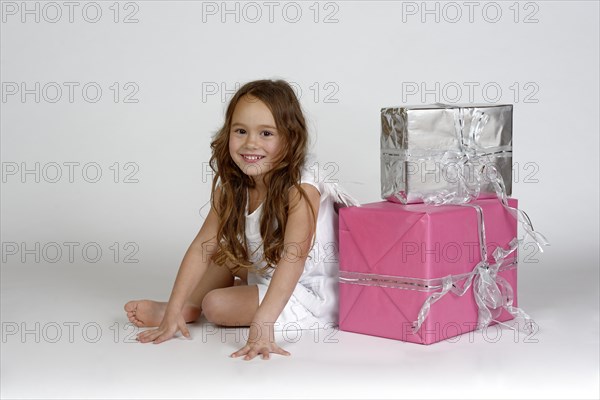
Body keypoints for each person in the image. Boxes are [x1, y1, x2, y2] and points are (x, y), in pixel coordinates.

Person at [124, 79, 357, 360]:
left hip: (307, 290)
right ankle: (182, 309)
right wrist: (173, 306)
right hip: (270, 271)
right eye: (241, 131)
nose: (251, 143)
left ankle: (210, 304)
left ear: (290, 138)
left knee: (216, 305)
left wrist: (263, 322)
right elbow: (202, 246)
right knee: (222, 254)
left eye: (266, 133)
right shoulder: (234, 186)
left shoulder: (301, 190)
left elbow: (294, 258)